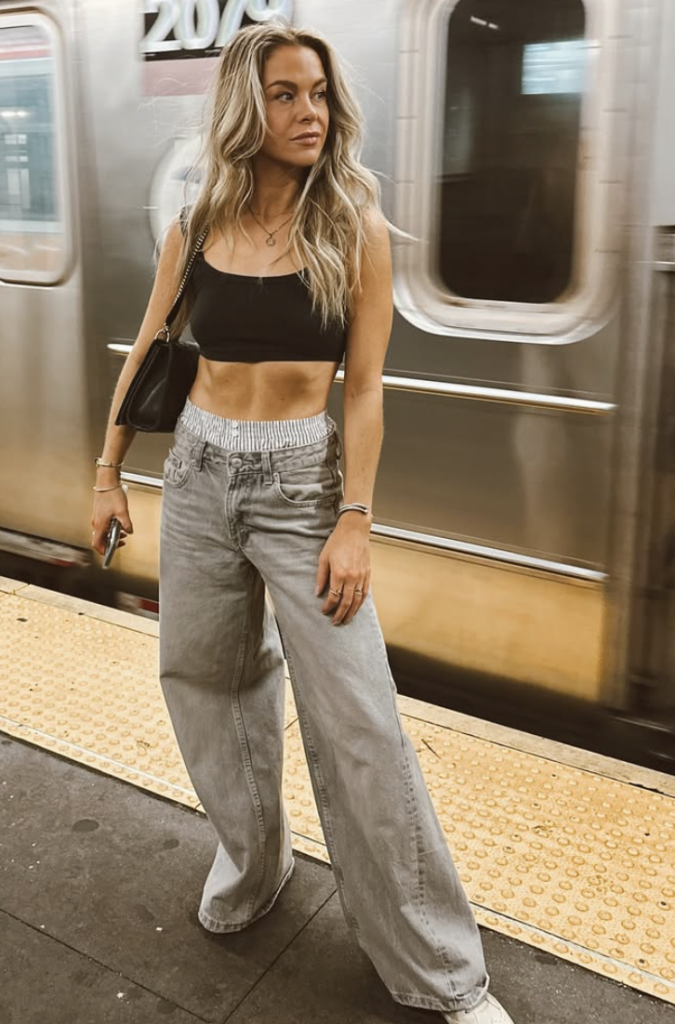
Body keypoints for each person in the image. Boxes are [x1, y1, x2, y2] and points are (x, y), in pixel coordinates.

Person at [91, 22, 514, 1024]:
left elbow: (362, 390)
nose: (310, 112)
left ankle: (444, 972)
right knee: (204, 679)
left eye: (318, 93)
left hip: (299, 485)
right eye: (285, 94)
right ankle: (257, 858)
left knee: (360, 722)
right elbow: (149, 349)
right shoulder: (197, 225)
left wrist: (355, 517)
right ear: (248, 106)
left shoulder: (353, 227)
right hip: (196, 470)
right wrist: (108, 472)